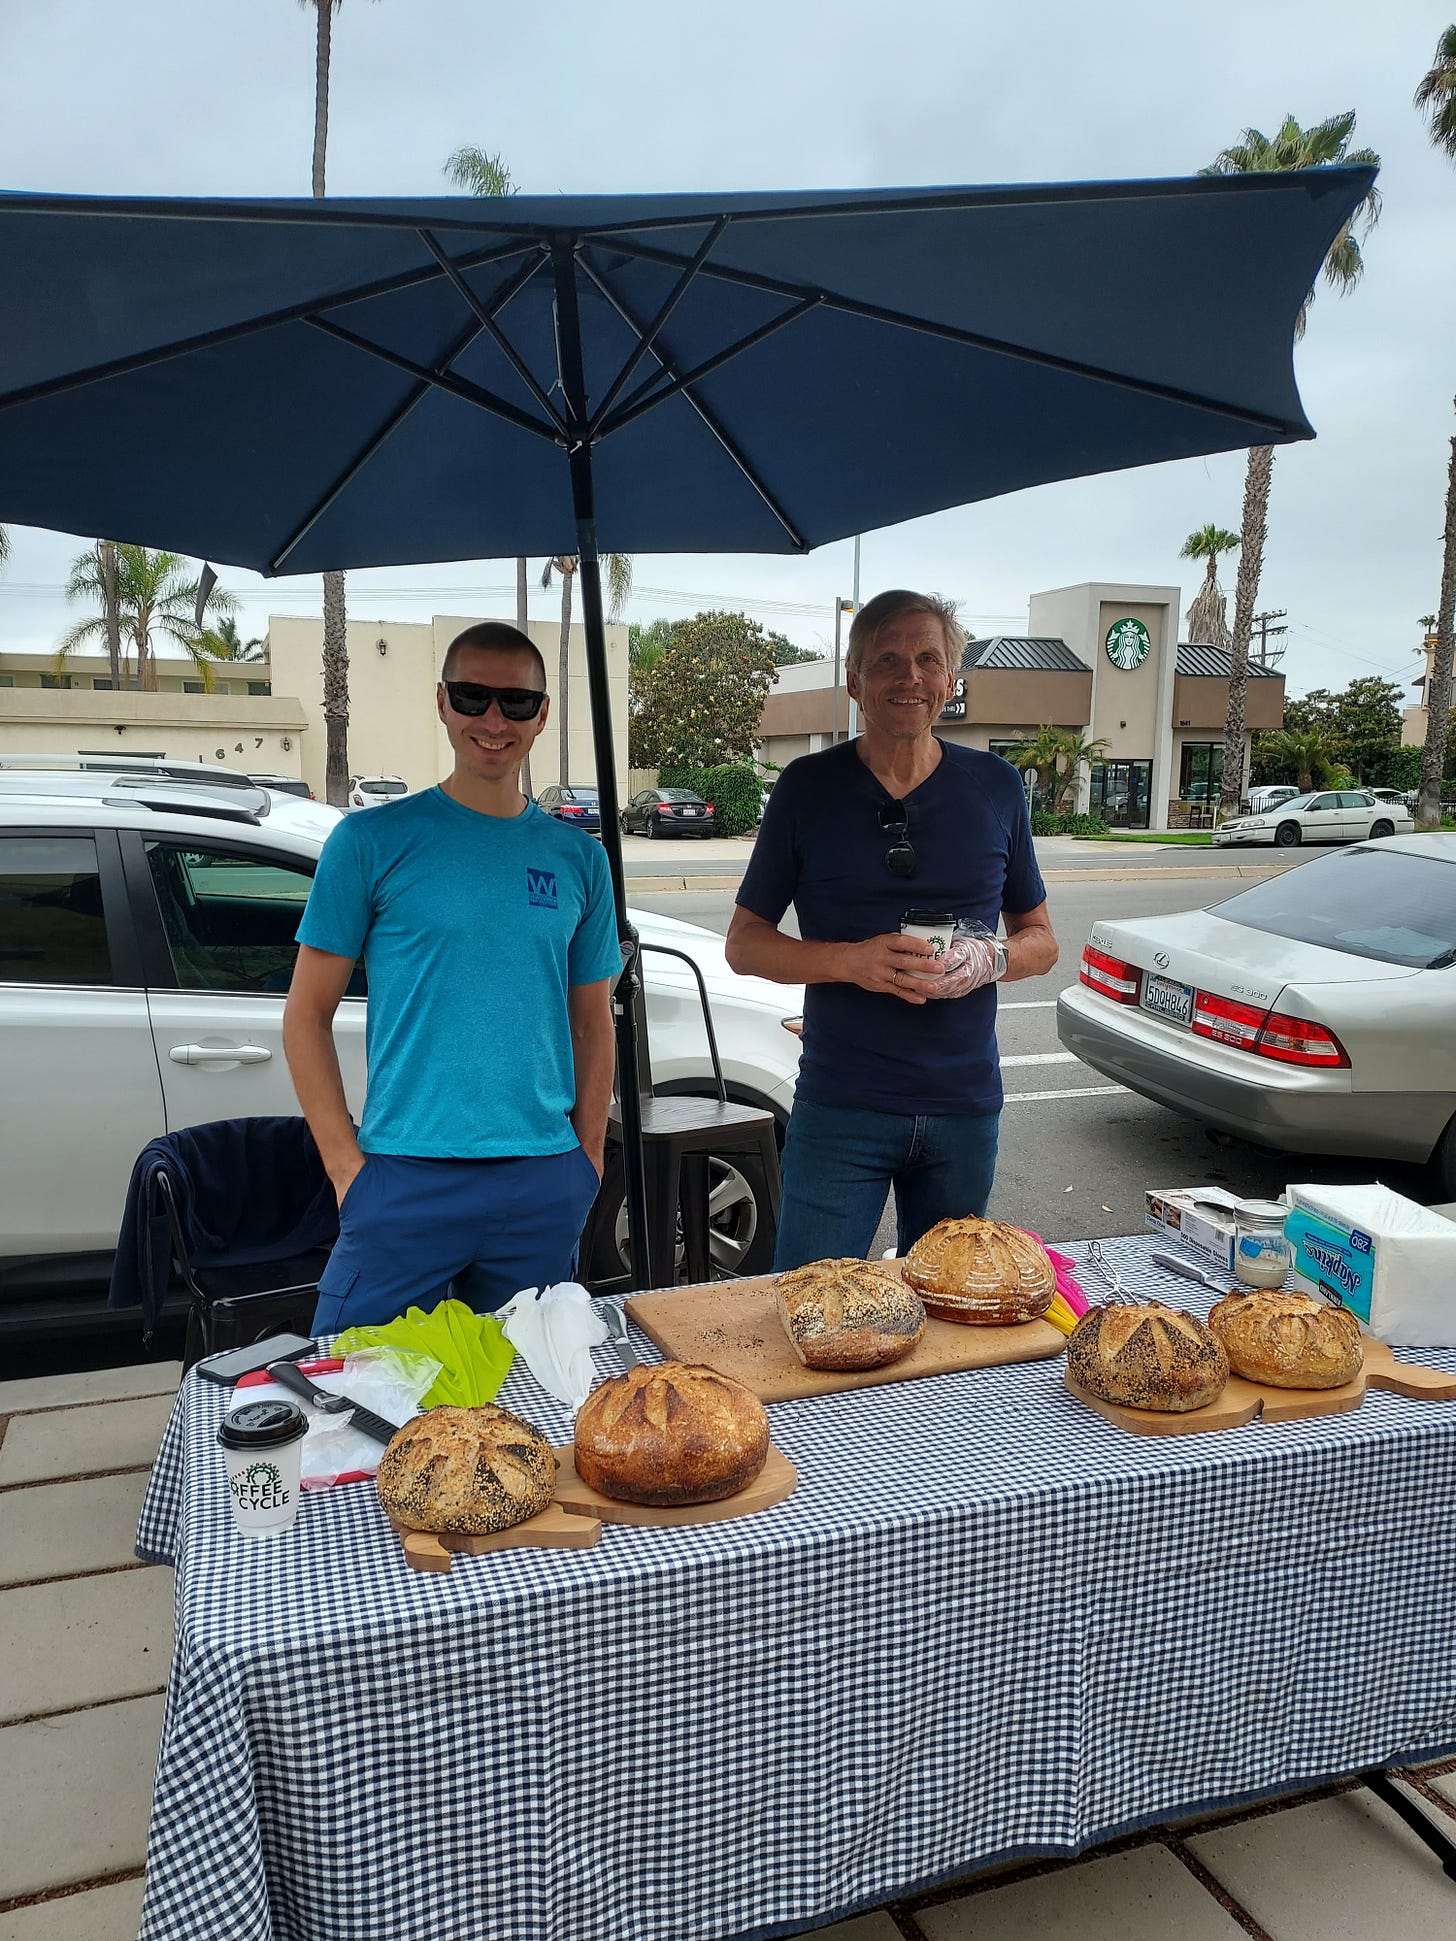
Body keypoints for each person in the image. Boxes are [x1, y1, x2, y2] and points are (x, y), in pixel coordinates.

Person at [283, 620, 620, 1333]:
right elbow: (305, 1016)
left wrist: (585, 1161)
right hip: (404, 1177)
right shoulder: (368, 843)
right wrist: (349, 1170)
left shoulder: (577, 860)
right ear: (441, 702)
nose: (493, 720)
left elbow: (593, 1022)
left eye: (516, 703)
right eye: (473, 697)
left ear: (542, 715)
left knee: (524, 1407)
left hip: (540, 1180)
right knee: (355, 1398)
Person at [726, 588, 1057, 1268]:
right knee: (810, 1307)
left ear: (950, 681)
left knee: (949, 1318)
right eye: (888, 660)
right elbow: (744, 942)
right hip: (842, 1106)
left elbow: (1042, 938)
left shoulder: (995, 786)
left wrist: (989, 959)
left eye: (928, 659)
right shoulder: (806, 788)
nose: (910, 676)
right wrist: (851, 962)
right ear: (855, 681)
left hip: (964, 1109)